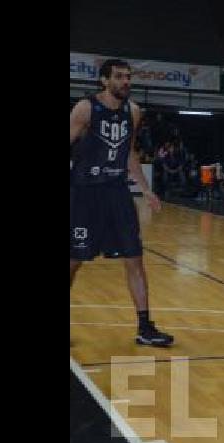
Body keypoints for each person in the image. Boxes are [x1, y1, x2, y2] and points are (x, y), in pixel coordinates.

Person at [69, 59, 173, 347]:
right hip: (85, 194)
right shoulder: (86, 108)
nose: (126, 81)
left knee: (135, 259)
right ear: (104, 81)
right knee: (74, 261)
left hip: (118, 193)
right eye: (119, 77)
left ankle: (145, 327)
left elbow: (128, 153)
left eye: (128, 77)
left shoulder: (133, 111)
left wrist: (146, 190)